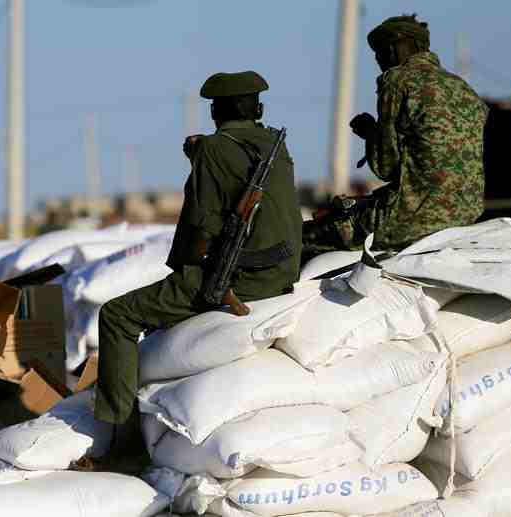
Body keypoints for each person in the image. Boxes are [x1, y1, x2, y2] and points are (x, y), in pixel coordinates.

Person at [90, 71, 303, 463]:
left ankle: (120, 439)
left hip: (238, 279)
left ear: (216, 111)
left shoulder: (215, 149)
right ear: (258, 108)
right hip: (280, 272)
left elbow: (202, 227)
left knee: (117, 316)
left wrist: (188, 267)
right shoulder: (275, 143)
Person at [303, 14, 489, 261]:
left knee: (306, 237)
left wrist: (371, 133)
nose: (380, 61)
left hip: (414, 217)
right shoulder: (462, 88)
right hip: (467, 213)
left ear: (394, 48)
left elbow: (386, 167)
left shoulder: (398, 80)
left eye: (379, 53)